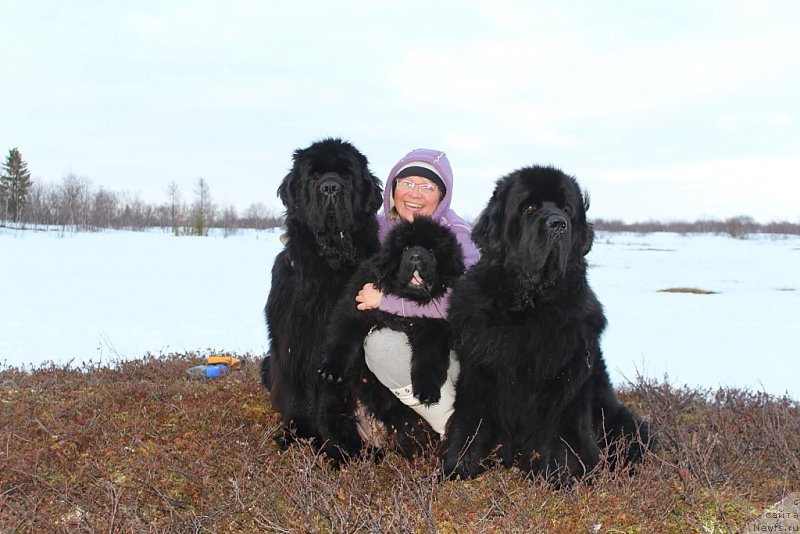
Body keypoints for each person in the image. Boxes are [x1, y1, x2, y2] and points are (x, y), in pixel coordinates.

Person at [355, 148, 480, 436]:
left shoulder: (459, 235)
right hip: (412, 340)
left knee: (383, 346)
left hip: (454, 350)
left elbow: (463, 301)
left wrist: (387, 302)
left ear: (442, 195)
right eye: (407, 183)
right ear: (393, 187)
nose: (415, 194)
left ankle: (459, 432)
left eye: (428, 186)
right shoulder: (380, 227)